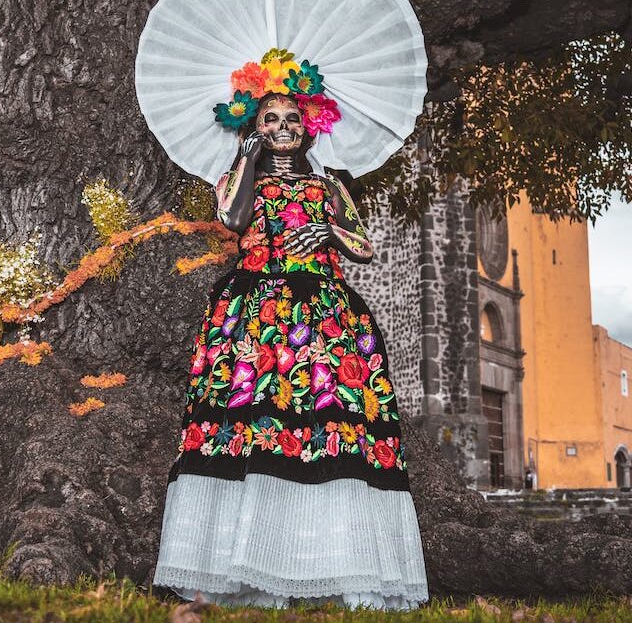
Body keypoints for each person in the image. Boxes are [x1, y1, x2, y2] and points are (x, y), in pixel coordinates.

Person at [151, 67, 430, 610]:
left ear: (309, 127)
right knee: (253, 422)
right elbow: (229, 216)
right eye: (270, 119)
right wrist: (245, 155)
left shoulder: (330, 185)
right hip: (254, 311)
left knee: (327, 424)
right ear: (255, 127)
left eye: (291, 119)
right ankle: (245, 562)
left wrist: (328, 230)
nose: (282, 127)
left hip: (322, 313)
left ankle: (331, 561)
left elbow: (363, 246)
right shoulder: (248, 180)